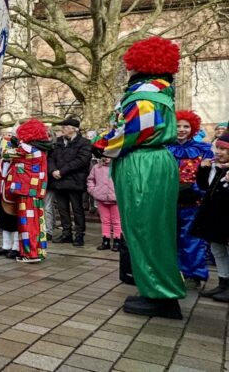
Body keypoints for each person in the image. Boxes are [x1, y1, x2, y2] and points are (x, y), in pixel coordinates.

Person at [93, 36, 186, 319]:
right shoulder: (157, 91)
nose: (128, 68)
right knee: (146, 228)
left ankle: (162, 295)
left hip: (143, 164)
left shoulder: (146, 95)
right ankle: (154, 289)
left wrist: (101, 144)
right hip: (146, 162)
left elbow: (132, 131)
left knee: (147, 229)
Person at [168, 110, 214, 285]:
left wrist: (195, 191)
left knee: (192, 239)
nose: (181, 129)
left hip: (192, 202)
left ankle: (193, 274)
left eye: (186, 126)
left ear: (192, 128)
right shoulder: (164, 149)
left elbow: (207, 178)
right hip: (168, 201)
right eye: (178, 126)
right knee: (169, 238)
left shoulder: (203, 149)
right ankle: (172, 272)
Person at [0, 119, 52, 263]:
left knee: (27, 223)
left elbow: (5, 154)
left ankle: (31, 254)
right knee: (37, 222)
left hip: (26, 190)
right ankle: (38, 251)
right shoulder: (40, 149)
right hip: (36, 191)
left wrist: (10, 140)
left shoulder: (27, 149)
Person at [192, 131, 229, 302]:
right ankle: (223, 282)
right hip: (215, 217)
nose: (219, 152)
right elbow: (203, 186)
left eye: (223, 149)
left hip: (226, 219)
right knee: (217, 249)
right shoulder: (218, 167)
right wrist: (203, 169)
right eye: (218, 148)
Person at [48, 117, 91, 247]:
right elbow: (50, 158)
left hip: (74, 181)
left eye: (65, 127)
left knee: (77, 209)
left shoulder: (84, 143)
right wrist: (53, 170)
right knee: (62, 209)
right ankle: (66, 234)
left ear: (74, 129)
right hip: (59, 181)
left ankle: (79, 235)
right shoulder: (58, 142)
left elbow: (81, 160)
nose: (62, 129)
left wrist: (62, 171)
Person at [87, 157, 120, 252]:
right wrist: (94, 191)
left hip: (115, 199)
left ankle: (117, 241)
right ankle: (105, 240)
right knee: (105, 221)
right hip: (101, 198)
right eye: (105, 155)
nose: (107, 158)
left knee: (116, 221)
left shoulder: (118, 166)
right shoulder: (96, 167)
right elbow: (90, 180)